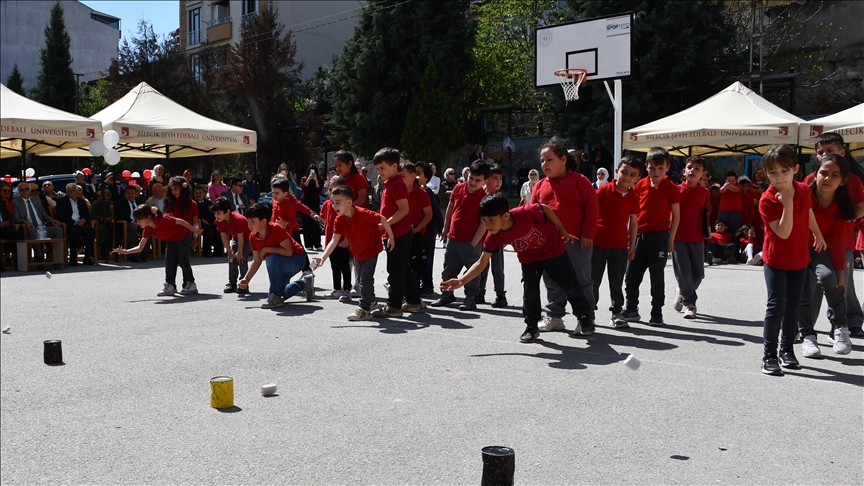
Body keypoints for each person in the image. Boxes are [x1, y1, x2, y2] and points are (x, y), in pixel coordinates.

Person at [441, 193, 591, 343]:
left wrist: (562, 229)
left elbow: (545, 209)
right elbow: (482, 262)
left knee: (569, 284)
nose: (488, 225)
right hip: (529, 258)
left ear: (505, 216)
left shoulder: (525, 213)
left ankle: (584, 318)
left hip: (552, 250)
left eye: (492, 220)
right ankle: (532, 327)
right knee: (530, 292)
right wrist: (461, 280)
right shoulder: (494, 236)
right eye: (484, 220)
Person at [758, 144, 825, 376]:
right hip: (775, 261)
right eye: (773, 172)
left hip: (799, 258)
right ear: (766, 173)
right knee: (776, 307)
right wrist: (786, 203)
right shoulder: (767, 200)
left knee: (794, 308)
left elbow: (807, 212)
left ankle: (787, 350)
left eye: (784, 171)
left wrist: (817, 232)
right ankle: (769, 354)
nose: (779, 177)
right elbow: (784, 232)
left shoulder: (804, 190)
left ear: (795, 169)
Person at [531, 142, 599, 335]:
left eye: (550, 159)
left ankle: (586, 318)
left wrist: (587, 235)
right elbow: (533, 214)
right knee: (551, 280)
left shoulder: (580, 180)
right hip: (548, 244)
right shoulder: (540, 186)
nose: (545, 164)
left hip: (577, 242)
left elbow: (592, 208)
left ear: (563, 160)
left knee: (582, 280)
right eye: (542, 160)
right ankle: (555, 316)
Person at [797, 153, 855, 357]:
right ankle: (807, 337)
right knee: (804, 291)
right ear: (815, 174)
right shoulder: (804, 196)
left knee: (831, 279)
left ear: (843, 180)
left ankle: (841, 329)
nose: (828, 178)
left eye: (835, 175)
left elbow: (838, 242)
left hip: (821, 250)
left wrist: (841, 272)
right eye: (823, 173)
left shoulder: (842, 206)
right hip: (797, 249)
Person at [807, 132, 864, 337]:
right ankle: (805, 325)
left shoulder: (853, 180)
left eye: (829, 151)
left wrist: (845, 216)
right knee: (812, 286)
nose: (824, 155)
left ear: (842, 152)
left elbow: (860, 207)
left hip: (842, 239)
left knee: (843, 283)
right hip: (813, 242)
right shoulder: (811, 179)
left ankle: (848, 322)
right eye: (820, 152)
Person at [617, 147, 681, 327]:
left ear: (667, 168)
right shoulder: (640, 184)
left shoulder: (671, 187)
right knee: (631, 275)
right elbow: (632, 214)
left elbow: (676, 215)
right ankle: (631, 309)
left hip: (659, 237)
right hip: (639, 236)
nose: (656, 172)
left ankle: (656, 312)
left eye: (660, 168)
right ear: (646, 167)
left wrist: (670, 239)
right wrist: (629, 237)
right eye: (652, 168)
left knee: (657, 277)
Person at [313, 185, 396, 320]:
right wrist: (323, 257)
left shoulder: (363, 214)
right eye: (333, 202)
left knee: (365, 280)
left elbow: (382, 219)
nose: (334, 206)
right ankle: (372, 303)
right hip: (357, 252)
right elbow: (334, 241)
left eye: (338, 202)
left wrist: (390, 237)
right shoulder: (339, 220)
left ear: (349, 202)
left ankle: (364, 308)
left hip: (371, 249)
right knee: (362, 279)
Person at [370, 148, 422, 317]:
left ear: (394, 166)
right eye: (378, 168)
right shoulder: (391, 184)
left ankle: (394, 306)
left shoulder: (396, 184)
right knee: (403, 269)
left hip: (399, 233)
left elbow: (404, 210)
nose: (380, 172)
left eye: (382, 168)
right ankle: (413, 301)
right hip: (396, 233)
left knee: (395, 270)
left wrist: (385, 225)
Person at [431, 159, 490, 311]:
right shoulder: (458, 188)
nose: (473, 182)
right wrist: (445, 229)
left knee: (472, 271)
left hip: (471, 242)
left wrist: (474, 242)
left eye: (478, 180)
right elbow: (451, 208)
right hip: (453, 238)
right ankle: (446, 294)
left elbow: (484, 222)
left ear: (484, 181)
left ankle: (470, 298)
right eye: (471, 178)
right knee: (448, 269)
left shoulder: (484, 197)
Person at [592, 156, 642, 327]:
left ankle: (617, 312)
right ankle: (588, 313)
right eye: (624, 172)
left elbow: (633, 222)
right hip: (597, 242)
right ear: (616, 172)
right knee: (593, 280)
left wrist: (632, 245)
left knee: (617, 281)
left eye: (632, 175)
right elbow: (590, 212)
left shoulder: (634, 197)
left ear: (637, 178)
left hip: (619, 244)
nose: (627, 177)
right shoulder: (603, 191)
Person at [113, 205, 203, 296]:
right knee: (169, 261)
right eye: (137, 219)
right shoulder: (147, 229)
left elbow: (180, 221)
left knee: (183, 260)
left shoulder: (163, 220)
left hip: (182, 236)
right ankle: (170, 285)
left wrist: (195, 230)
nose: (138, 222)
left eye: (140, 219)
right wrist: (126, 251)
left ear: (148, 217)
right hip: (172, 239)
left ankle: (191, 284)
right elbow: (140, 247)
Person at [239, 203, 314, 309]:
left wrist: (267, 249)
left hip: (297, 260)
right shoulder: (253, 236)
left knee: (272, 259)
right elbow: (256, 260)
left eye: (252, 221)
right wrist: (246, 279)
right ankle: (304, 283)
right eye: (248, 221)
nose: (249, 224)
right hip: (279, 264)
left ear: (263, 221)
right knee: (274, 296)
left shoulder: (277, 229)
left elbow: (288, 252)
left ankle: (276, 297)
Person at [670, 156, 711, 319]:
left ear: (703, 174)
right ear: (684, 170)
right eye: (690, 167)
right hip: (678, 235)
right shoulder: (676, 190)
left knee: (699, 273)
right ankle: (690, 303)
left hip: (697, 236)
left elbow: (705, 214)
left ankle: (682, 290)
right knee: (683, 271)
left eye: (697, 168)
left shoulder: (705, 192)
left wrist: (707, 233)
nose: (692, 170)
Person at [270, 176, 319, 274]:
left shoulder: (290, 200)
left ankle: (308, 270)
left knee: (300, 251)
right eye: (273, 191)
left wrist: (312, 213)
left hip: (293, 230)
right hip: (279, 231)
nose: (274, 194)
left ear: (285, 191)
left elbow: (301, 207)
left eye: (277, 192)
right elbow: (274, 215)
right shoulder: (275, 200)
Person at [400, 161, 433, 298]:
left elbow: (429, 214)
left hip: (416, 234)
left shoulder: (421, 193)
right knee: (401, 265)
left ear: (413, 176)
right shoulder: (397, 192)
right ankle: (402, 292)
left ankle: (414, 296)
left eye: (403, 176)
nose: (400, 179)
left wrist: (419, 228)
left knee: (415, 266)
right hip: (400, 234)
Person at [477, 164, 507, 307]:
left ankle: (500, 295)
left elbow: (506, 218)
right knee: (482, 267)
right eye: (495, 178)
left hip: (496, 239)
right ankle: (479, 293)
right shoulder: (480, 196)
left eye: (500, 178)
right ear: (486, 180)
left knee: (497, 268)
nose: (498, 181)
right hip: (482, 239)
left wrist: (505, 238)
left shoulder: (500, 198)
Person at [319, 176, 352, 300]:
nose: (332, 192)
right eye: (330, 189)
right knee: (334, 266)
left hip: (342, 241)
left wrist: (347, 239)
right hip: (330, 241)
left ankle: (347, 289)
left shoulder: (345, 206)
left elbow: (349, 223)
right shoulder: (327, 204)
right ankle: (337, 288)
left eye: (335, 189)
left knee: (344, 266)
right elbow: (323, 217)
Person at [211, 197, 252, 295]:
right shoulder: (219, 221)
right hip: (236, 237)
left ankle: (243, 283)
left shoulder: (238, 219)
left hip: (248, 238)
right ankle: (232, 283)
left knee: (241, 259)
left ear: (227, 212)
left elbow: (241, 236)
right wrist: (229, 250)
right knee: (231, 259)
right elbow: (223, 235)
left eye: (219, 213)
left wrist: (240, 252)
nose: (216, 216)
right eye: (215, 213)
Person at [416, 162, 444, 297]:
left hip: (427, 233)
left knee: (426, 260)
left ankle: (427, 286)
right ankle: (417, 284)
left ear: (426, 177)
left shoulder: (428, 193)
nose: (415, 176)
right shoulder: (414, 193)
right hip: (416, 233)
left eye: (418, 174)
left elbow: (437, 213)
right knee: (417, 260)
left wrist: (440, 229)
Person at [56, 182, 95, 266]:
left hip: (80, 224)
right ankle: (73, 259)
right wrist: (74, 223)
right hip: (69, 225)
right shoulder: (61, 202)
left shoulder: (82, 202)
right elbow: (60, 215)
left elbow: (88, 216)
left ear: (77, 191)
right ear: (67, 192)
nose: (72, 193)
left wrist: (83, 220)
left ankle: (88, 258)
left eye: (73, 190)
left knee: (90, 231)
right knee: (74, 232)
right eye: (70, 191)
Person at [165, 177, 199, 253]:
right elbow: (169, 220)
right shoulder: (170, 203)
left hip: (185, 235)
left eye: (176, 189)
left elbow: (195, 222)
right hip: (172, 235)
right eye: (172, 190)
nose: (174, 192)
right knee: (169, 262)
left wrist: (195, 237)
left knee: (183, 261)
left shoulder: (192, 204)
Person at [113, 185, 146, 262]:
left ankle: (144, 252)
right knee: (133, 229)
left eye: (132, 193)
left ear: (135, 194)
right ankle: (132, 254)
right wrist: (131, 221)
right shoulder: (120, 203)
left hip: (139, 223)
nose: (130, 195)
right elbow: (119, 215)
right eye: (128, 193)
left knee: (148, 229)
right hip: (126, 223)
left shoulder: (139, 203)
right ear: (125, 193)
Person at [300, 164, 323, 250]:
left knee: (315, 223)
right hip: (305, 202)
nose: (312, 173)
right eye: (310, 171)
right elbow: (304, 188)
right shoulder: (304, 179)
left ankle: (317, 244)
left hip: (314, 202)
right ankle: (308, 244)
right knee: (306, 223)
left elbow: (319, 190)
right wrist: (309, 178)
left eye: (313, 171)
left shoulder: (319, 180)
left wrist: (316, 180)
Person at [194, 184, 220, 258]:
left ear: (204, 194)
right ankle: (207, 252)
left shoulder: (208, 203)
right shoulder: (193, 203)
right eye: (196, 193)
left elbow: (213, 213)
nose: (198, 195)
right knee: (208, 229)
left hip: (210, 222)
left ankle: (217, 252)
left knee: (219, 228)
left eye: (200, 193)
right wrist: (201, 219)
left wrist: (216, 219)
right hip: (199, 222)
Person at [89, 189, 113, 261]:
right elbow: (91, 215)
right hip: (99, 224)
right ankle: (103, 251)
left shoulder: (111, 204)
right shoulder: (96, 203)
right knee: (103, 229)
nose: (105, 197)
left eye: (107, 196)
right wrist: (103, 218)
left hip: (110, 224)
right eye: (103, 195)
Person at [717, 171, 743, 238]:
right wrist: (726, 186)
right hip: (723, 211)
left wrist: (728, 186)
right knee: (722, 230)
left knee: (735, 230)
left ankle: (734, 247)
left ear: (736, 180)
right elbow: (721, 191)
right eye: (729, 180)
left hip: (735, 212)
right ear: (725, 180)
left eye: (732, 181)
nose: (731, 182)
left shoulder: (739, 186)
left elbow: (735, 190)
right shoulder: (722, 186)